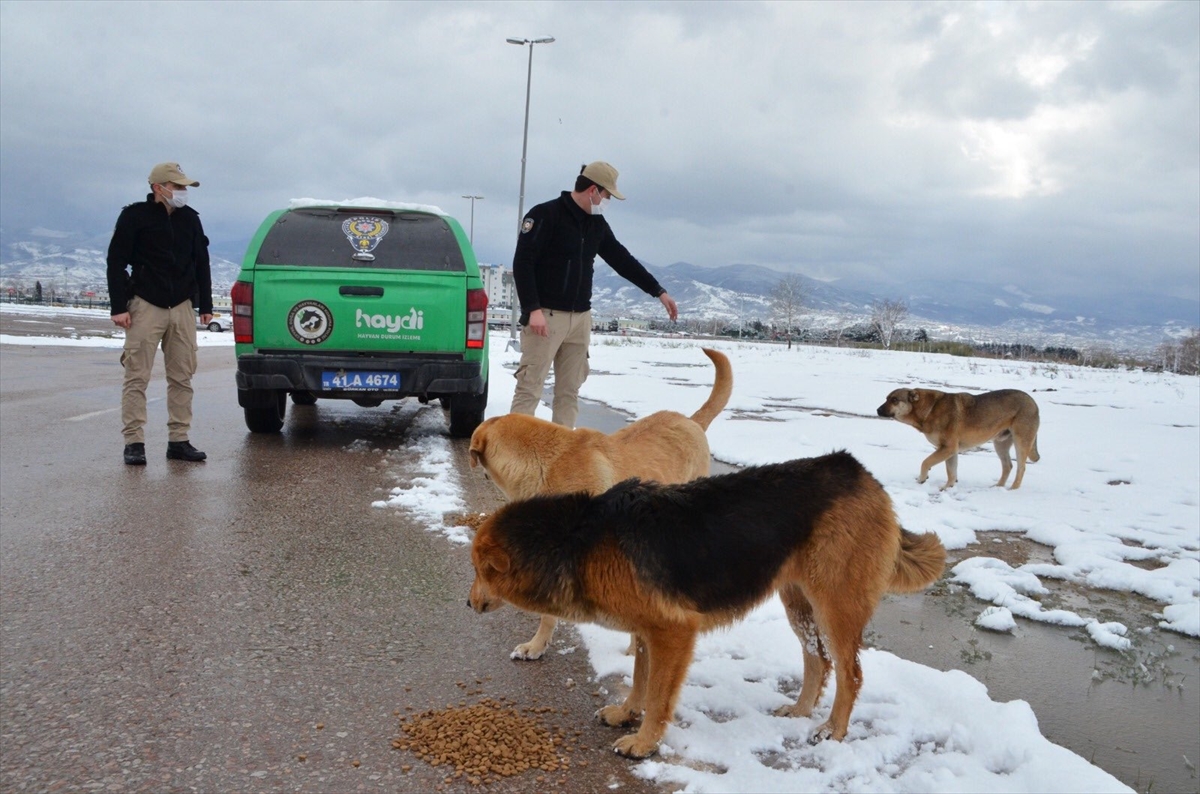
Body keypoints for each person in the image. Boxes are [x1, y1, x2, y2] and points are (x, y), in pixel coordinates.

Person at [509, 161, 678, 428]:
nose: (608, 201)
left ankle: (562, 459)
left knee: (569, 392)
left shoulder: (596, 224)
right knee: (530, 388)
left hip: (580, 321)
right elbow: (523, 263)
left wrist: (658, 291)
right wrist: (533, 309)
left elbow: (622, 260)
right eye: (607, 195)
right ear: (592, 191)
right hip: (546, 318)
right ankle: (513, 455)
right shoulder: (545, 215)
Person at [106, 162, 213, 465]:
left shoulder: (190, 220)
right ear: (158, 187)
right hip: (145, 304)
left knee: (182, 376)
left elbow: (201, 262)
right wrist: (118, 307)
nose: (181, 192)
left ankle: (179, 440)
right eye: (177, 186)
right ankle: (134, 442)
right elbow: (115, 263)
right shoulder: (134, 216)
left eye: (183, 187)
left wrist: (205, 305)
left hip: (180, 306)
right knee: (136, 376)